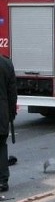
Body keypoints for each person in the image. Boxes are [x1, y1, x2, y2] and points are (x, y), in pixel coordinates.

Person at [0, 54, 17, 192]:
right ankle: (2, 181)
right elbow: (12, 93)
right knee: (1, 146)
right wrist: (11, 114)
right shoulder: (6, 64)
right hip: (2, 113)